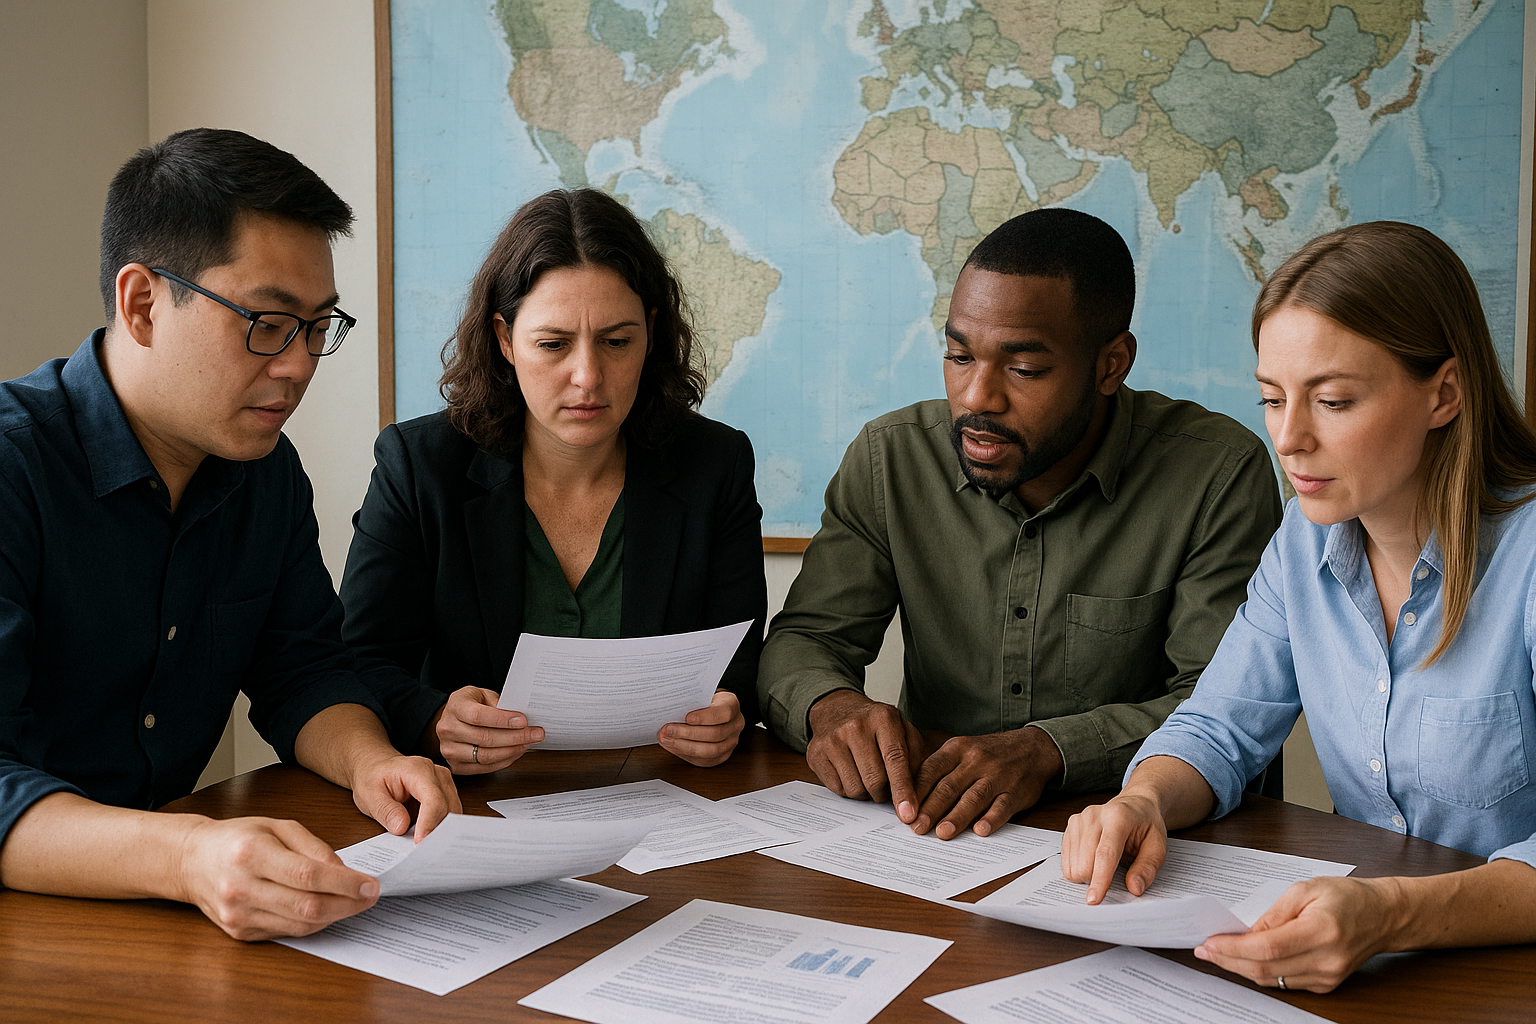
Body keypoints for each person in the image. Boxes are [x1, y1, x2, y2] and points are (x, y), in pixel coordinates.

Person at [0, 129, 460, 942]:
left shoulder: (265, 474)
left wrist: (371, 762)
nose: (298, 366)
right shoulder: (14, 468)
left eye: (318, 327)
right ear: (142, 303)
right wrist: (186, 857)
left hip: (168, 910)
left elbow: (304, 669)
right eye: (270, 323)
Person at [1063, 221, 1536, 993]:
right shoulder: (1302, 540)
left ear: (1444, 393)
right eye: (1273, 399)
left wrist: (1389, 914)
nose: (1288, 439)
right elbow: (1219, 726)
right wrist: (1143, 799)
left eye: (1334, 401)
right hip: (1367, 969)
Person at [759, 208, 1283, 841]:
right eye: (958, 355)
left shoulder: (1216, 473)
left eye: (1024, 369)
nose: (978, 397)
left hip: (1136, 833)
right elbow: (806, 639)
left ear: (1111, 364)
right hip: (926, 832)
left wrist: (1047, 751)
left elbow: (1221, 704)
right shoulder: (890, 459)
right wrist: (831, 708)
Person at [341, 189, 767, 774]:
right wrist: (431, 715)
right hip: (473, 803)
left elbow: (738, 665)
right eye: (553, 344)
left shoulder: (714, 463)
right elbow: (359, 659)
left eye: (618, 342)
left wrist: (727, 715)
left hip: (658, 801)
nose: (588, 376)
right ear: (503, 339)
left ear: (651, 333)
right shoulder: (418, 465)